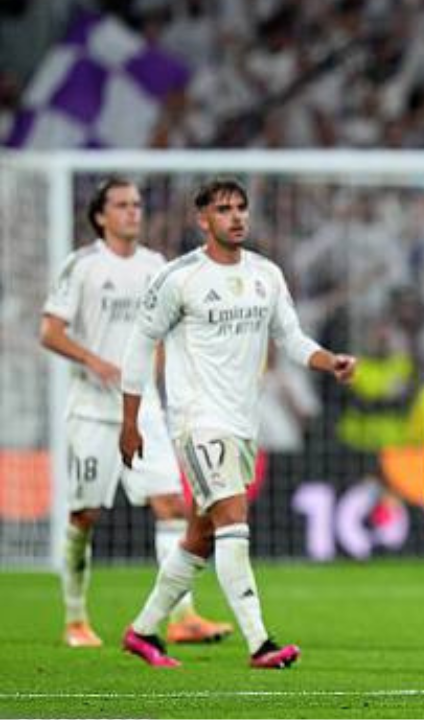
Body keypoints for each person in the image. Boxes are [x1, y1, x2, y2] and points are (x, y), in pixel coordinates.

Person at [117, 178, 357, 668]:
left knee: (200, 537)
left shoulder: (266, 274)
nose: (237, 217)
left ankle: (141, 631)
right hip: (198, 422)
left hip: (243, 423)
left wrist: (330, 361)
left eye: (241, 208)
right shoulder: (179, 278)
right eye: (224, 209)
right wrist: (131, 421)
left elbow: (291, 338)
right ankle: (260, 643)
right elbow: (139, 345)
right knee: (232, 518)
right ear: (202, 220)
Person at [39, 177, 231, 648]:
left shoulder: (155, 266)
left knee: (171, 507)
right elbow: (50, 331)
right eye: (123, 205)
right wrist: (96, 361)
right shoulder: (82, 266)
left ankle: (182, 616)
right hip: (91, 411)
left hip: (143, 411)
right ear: (101, 215)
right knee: (84, 515)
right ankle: (75, 619)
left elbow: (166, 332)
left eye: (138, 205)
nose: (133, 212)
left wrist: (159, 379)